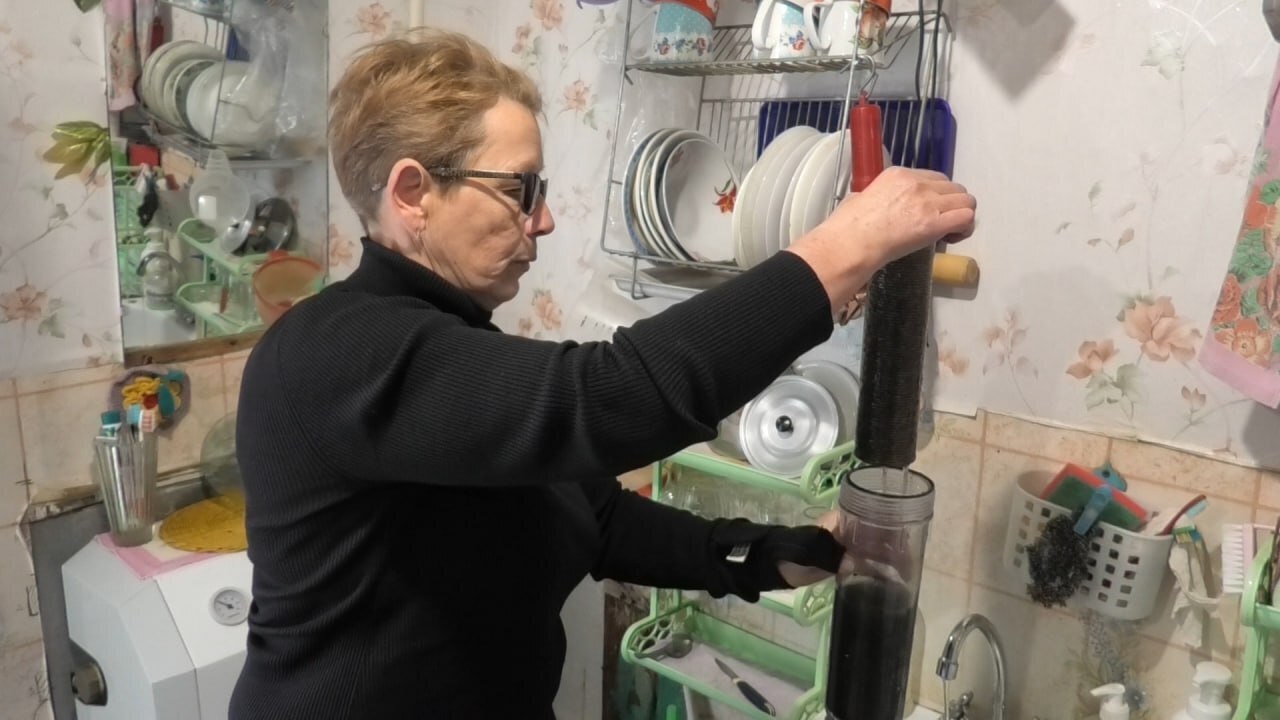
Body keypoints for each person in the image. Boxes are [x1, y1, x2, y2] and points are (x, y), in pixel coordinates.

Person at [229, 29, 975, 720]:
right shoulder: (333, 352)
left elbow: (595, 519)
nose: (544, 219)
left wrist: (773, 556)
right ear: (412, 193)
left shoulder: (451, 351)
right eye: (521, 189)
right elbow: (605, 397)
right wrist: (844, 245)